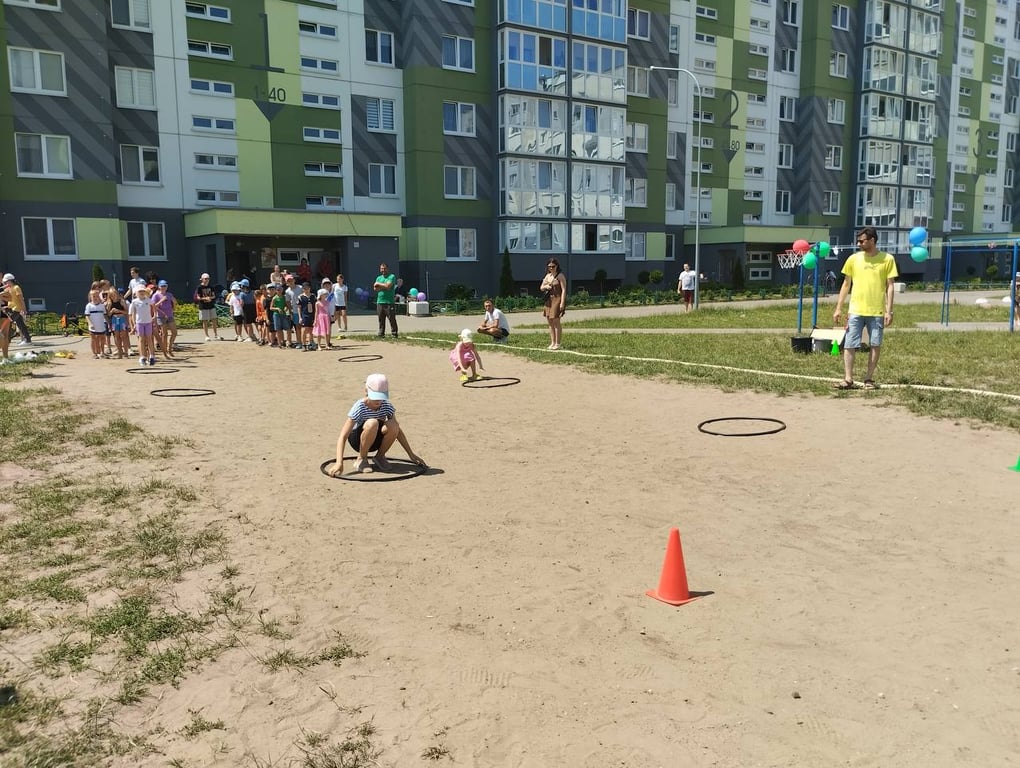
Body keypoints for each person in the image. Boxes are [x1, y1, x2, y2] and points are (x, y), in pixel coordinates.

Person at [832, 226, 898, 390]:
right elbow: (846, 284)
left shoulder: (887, 259)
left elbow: (890, 286)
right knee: (849, 344)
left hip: (877, 312)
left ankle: (869, 379)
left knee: (875, 344)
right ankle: (848, 379)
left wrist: (889, 310)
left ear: (872, 240)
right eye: (858, 241)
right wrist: (838, 308)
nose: (859, 243)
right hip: (855, 310)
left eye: (862, 241)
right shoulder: (853, 259)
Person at [326, 373, 426, 476]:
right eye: (375, 397)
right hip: (358, 440)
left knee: (393, 424)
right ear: (366, 391)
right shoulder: (359, 407)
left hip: (376, 440)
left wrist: (411, 454)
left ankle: (380, 456)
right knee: (372, 422)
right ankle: (361, 459)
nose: (378, 401)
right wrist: (339, 463)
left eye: (381, 397)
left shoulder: (387, 406)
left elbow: (397, 431)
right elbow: (343, 436)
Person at [540, 258, 566, 349]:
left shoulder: (560, 276)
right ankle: (552, 342)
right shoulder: (548, 276)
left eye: (553, 266)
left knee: (556, 321)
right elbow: (541, 287)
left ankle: (558, 344)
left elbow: (564, 290)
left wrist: (562, 302)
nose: (551, 268)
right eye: (549, 267)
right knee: (549, 321)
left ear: (557, 266)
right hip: (548, 300)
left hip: (557, 299)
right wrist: (546, 286)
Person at [128, 286, 157, 366]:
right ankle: (142, 357)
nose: (141, 292)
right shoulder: (134, 302)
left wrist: (154, 315)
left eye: (143, 291)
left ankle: (152, 356)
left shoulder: (148, 300)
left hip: (148, 322)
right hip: (139, 323)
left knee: (149, 339)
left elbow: (154, 307)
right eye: (139, 291)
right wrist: (133, 324)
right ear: (136, 293)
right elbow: (132, 314)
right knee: (141, 339)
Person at [0, 274, 32, 345]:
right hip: (12, 308)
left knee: (7, 322)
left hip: (17, 309)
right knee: (21, 325)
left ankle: (6, 340)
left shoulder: (16, 288)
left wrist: (24, 309)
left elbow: (21, 299)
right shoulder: (9, 288)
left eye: (6, 282)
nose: (5, 284)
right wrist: (6, 305)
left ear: (10, 281)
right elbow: (10, 299)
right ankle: (28, 340)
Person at [150, 280, 178, 359]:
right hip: (161, 316)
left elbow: (174, 301)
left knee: (174, 332)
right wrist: (161, 300)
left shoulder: (169, 294)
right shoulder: (156, 295)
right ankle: (165, 351)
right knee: (164, 334)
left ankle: (169, 348)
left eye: (165, 286)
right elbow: (153, 306)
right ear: (159, 287)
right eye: (162, 286)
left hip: (169, 315)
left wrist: (173, 307)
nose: (163, 287)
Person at [374, 262, 398, 338]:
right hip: (380, 301)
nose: (383, 270)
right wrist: (383, 286)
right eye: (381, 268)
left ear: (387, 269)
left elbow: (388, 286)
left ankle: (394, 333)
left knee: (391, 318)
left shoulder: (391, 276)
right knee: (381, 319)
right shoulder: (378, 278)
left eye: (384, 268)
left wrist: (379, 285)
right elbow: (375, 288)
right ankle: (381, 333)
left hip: (389, 302)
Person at [194, 273, 220, 341]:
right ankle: (207, 336)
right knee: (205, 321)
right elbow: (198, 297)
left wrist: (210, 298)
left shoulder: (211, 287)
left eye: (208, 278)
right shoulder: (199, 287)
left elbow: (214, 296)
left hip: (211, 306)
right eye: (205, 278)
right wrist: (205, 299)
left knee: (214, 320)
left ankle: (216, 335)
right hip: (203, 306)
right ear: (202, 279)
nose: (207, 280)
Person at [106, 287, 130, 358]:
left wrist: (119, 311)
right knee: (116, 336)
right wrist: (111, 311)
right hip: (114, 319)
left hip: (122, 318)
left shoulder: (121, 301)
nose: (113, 297)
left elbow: (126, 312)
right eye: (111, 295)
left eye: (114, 295)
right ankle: (120, 352)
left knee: (124, 336)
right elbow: (108, 314)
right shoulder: (110, 303)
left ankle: (126, 352)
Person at [84, 289, 108, 359]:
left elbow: (105, 315)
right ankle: (95, 353)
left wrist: (108, 323)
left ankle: (102, 352)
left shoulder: (102, 306)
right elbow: (87, 316)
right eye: (93, 296)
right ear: (90, 297)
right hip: (93, 327)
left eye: (97, 296)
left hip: (101, 326)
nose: (95, 298)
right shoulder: (89, 306)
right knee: (94, 340)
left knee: (102, 339)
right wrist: (90, 324)